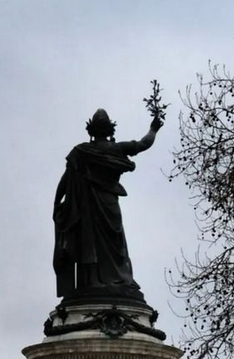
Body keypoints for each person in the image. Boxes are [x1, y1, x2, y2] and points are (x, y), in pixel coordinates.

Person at [53, 108, 162, 299]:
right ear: (110, 130)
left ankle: (92, 281)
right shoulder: (116, 149)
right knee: (115, 242)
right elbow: (144, 144)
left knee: (90, 242)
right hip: (109, 205)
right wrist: (153, 129)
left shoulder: (80, 151)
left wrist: (57, 202)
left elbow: (66, 179)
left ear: (91, 131)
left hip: (86, 208)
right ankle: (119, 279)